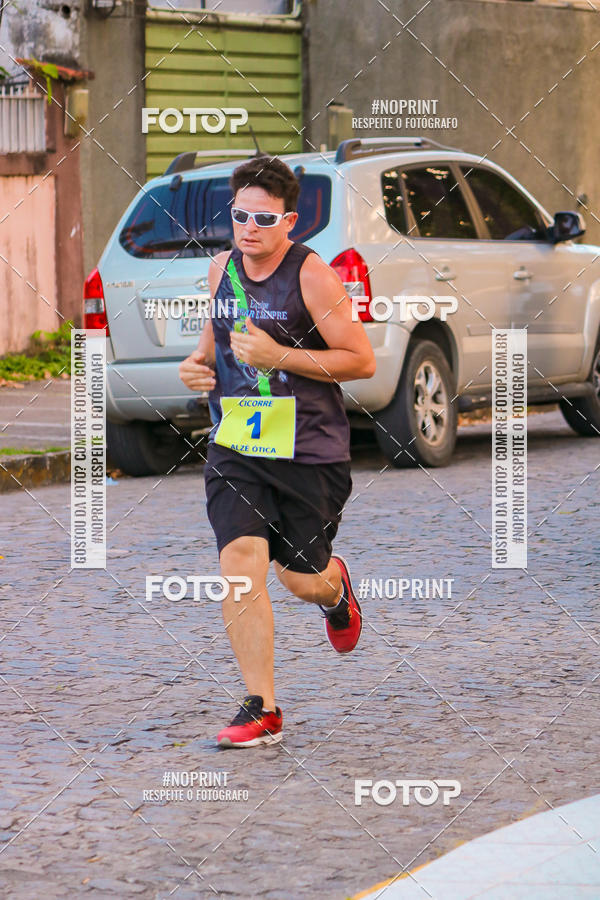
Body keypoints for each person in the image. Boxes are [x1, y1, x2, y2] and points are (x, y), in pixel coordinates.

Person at [179, 155, 375, 749]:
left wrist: (280, 356)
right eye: (239, 216)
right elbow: (214, 343)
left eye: (263, 219)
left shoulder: (312, 276)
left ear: (289, 220)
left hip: (310, 450)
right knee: (240, 562)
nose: (249, 228)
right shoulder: (221, 270)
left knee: (300, 579)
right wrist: (196, 366)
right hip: (237, 442)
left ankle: (335, 590)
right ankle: (261, 706)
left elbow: (361, 361)